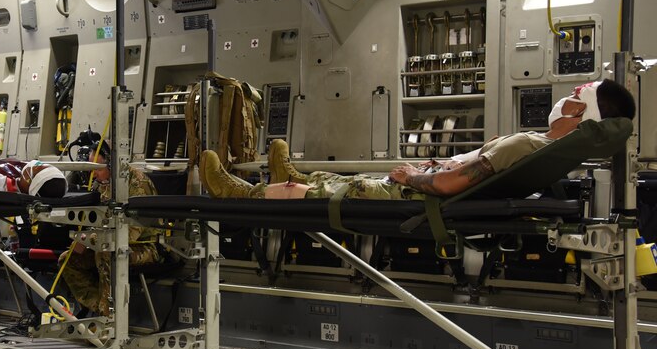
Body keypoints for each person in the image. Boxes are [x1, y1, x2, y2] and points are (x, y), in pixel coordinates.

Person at [203, 79, 636, 201]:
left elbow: (449, 185)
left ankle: (239, 192)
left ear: (581, 114)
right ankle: (290, 176)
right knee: (321, 178)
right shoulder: (539, 146)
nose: (567, 96)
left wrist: (412, 175)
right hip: (426, 186)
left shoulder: (524, 146)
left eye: (576, 95)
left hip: (421, 196)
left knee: (326, 190)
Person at [58, 141, 163, 316]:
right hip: (107, 243)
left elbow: (130, 234)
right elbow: (98, 220)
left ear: (112, 164)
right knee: (68, 260)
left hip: (145, 246)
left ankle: (109, 319)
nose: (93, 173)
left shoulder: (137, 184)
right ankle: (99, 308)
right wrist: (83, 239)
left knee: (106, 254)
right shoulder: (102, 184)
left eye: (97, 168)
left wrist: (88, 239)